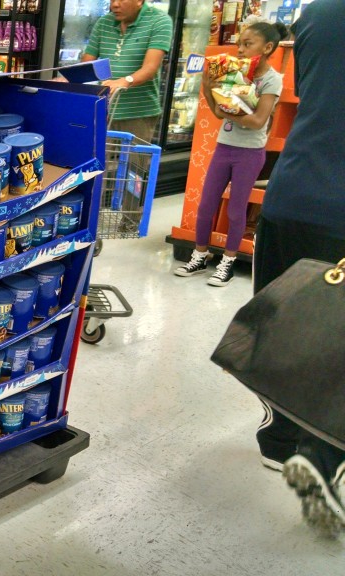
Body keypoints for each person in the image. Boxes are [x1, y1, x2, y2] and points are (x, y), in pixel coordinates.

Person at [245, 0, 345, 536]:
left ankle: (279, 438)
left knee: (289, 322)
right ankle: (324, 455)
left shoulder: (317, 12)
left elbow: (315, 93)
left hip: (293, 193)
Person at [174, 22, 286, 287]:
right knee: (205, 207)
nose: (241, 50)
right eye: (240, 44)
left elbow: (258, 121)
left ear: (267, 47)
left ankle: (228, 263)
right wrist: (206, 86)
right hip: (224, 147)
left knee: (236, 211)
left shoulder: (271, 79)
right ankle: (200, 254)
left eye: (248, 44)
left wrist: (229, 111)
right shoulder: (233, 70)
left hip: (250, 153)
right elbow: (216, 112)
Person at [81, 0, 173, 143]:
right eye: (112, 0)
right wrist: (68, 79)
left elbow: (150, 68)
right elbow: (87, 63)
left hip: (139, 114)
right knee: (99, 162)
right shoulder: (103, 23)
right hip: (103, 111)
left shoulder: (160, 21)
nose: (114, 5)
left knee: (134, 164)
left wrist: (125, 81)